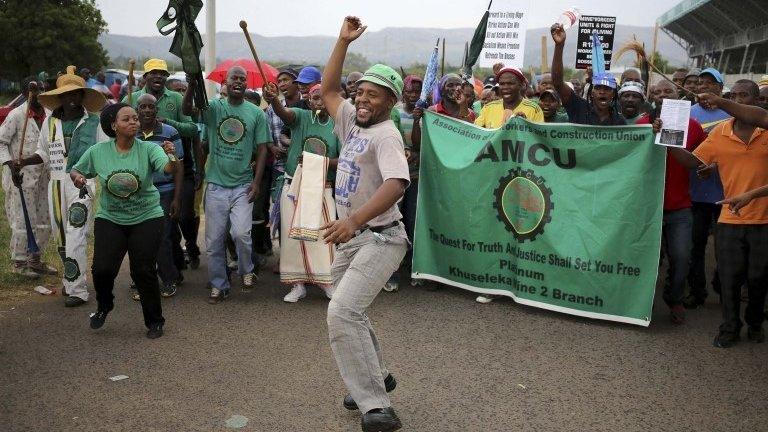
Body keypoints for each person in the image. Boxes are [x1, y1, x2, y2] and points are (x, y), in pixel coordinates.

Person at [321, 16, 410, 432]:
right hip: (355, 240)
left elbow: (396, 183)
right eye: (361, 93)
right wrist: (342, 41)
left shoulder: (387, 135)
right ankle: (378, 374)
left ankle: (376, 406)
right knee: (348, 310)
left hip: (382, 238)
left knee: (342, 312)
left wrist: (353, 220)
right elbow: (328, 90)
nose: (363, 100)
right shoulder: (351, 122)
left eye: (374, 96)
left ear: (390, 102)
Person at [667, 80, 768, 348]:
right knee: (729, 278)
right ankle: (730, 326)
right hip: (729, 219)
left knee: (758, 278)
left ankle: (755, 321)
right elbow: (693, 162)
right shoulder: (721, 132)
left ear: (757, 100)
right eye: (733, 95)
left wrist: (720, 101)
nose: (738, 100)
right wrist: (668, 140)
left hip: (763, 221)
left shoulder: (765, 127)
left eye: (743, 95)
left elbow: (756, 116)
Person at [71, 103, 178, 339]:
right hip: (111, 217)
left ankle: (154, 321)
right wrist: (78, 178)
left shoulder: (149, 148)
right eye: (127, 119)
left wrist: (172, 154)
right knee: (102, 269)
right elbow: (77, 170)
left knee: (143, 270)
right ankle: (104, 305)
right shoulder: (98, 151)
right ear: (113, 126)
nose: (134, 123)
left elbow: (168, 168)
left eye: (135, 119)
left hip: (147, 216)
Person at [18, 66, 108, 307]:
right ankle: (71, 281)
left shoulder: (94, 122)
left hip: (83, 184)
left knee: (76, 234)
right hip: (55, 184)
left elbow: (105, 153)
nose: (71, 99)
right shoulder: (50, 124)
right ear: (59, 97)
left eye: (75, 94)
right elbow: (42, 153)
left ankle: (78, 291)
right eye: (66, 94)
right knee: (61, 237)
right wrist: (22, 162)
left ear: (81, 96)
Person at [182, 66, 271, 303]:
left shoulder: (256, 114)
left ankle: (245, 270)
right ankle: (219, 285)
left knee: (241, 233)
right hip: (216, 186)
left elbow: (262, 149)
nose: (239, 82)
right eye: (235, 78)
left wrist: (256, 182)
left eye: (243, 79)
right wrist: (191, 84)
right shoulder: (213, 109)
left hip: (243, 185)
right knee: (214, 240)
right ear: (226, 81)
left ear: (246, 84)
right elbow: (187, 109)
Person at [637, 80, 707, 324]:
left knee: (681, 257)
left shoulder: (695, 127)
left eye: (668, 91)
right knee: (648, 260)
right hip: (649, 207)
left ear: (679, 95)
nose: (662, 94)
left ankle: (674, 298)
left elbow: (702, 161)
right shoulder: (641, 125)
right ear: (651, 97)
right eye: (656, 91)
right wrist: (649, 134)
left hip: (680, 207)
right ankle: (642, 303)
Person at [264, 82, 339, 302]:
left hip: (322, 188)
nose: (320, 102)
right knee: (293, 237)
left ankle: (327, 282)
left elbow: (343, 159)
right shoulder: (301, 117)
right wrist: (274, 100)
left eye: (324, 97)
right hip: (294, 186)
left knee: (323, 236)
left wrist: (317, 161)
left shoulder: (338, 125)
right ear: (309, 100)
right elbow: (283, 113)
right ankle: (297, 285)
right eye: (316, 97)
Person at [0, 78, 55, 278]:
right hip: (20, 178)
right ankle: (19, 262)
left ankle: (35, 260)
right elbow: (1, 142)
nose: (40, 93)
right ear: (25, 93)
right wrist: (10, 165)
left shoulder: (50, 115)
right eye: (35, 90)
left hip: (44, 177)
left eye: (42, 89)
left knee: (44, 220)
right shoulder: (16, 116)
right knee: (23, 220)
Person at [686, 67, 730, 309]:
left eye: (711, 83)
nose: (704, 86)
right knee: (696, 244)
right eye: (701, 82)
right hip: (695, 193)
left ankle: (724, 288)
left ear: (720, 89)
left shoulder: (731, 114)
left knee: (725, 247)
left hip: (725, 194)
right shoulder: (687, 113)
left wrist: (715, 166)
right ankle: (696, 290)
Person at [132, 94, 184, 299]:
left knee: (161, 237)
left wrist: (177, 198)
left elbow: (178, 167)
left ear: (156, 110)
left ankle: (168, 280)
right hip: (138, 194)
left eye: (150, 107)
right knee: (138, 239)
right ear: (137, 110)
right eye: (142, 106)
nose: (146, 110)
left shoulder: (170, 133)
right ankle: (140, 282)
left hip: (164, 191)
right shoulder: (131, 133)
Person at [550, 24, 625, 126]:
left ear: (613, 94)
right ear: (592, 92)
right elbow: (557, 83)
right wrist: (559, 45)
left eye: (607, 89)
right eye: (598, 88)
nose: (602, 92)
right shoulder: (579, 107)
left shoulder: (619, 121)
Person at [165, 79, 203, 271]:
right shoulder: (161, 113)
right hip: (165, 174)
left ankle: (192, 245)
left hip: (187, 170)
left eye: (183, 90)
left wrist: (199, 171)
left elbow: (196, 142)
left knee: (186, 215)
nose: (181, 94)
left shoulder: (188, 116)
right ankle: (177, 260)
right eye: (177, 91)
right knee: (170, 221)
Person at [123, 59, 198, 140]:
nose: (158, 76)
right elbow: (118, 128)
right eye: (154, 73)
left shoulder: (177, 98)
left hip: (170, 150)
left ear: (166, 77)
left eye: (162, 74)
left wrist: (167, 122)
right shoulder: (131, 99)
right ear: (145, 77)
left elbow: (192, 129)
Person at [474, 67, 543, 129]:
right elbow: (476, 133)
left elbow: (539, 138)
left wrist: (524, 125)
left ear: (521, 85)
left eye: (510, 83)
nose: (505, 87)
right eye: (502, 84)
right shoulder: (488, 108)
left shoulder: (534, 109)